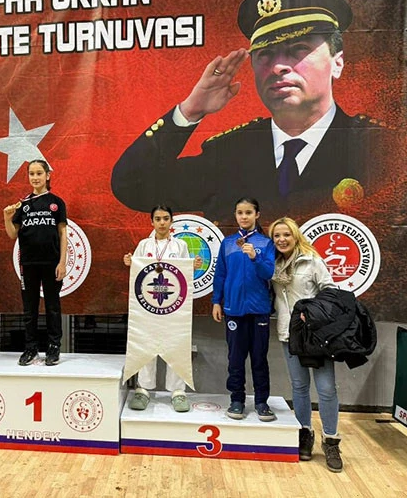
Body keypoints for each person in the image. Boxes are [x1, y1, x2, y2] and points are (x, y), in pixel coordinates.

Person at [111, 0, 395, 224]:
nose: (278, 66)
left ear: (337, 63)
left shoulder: (377, 148)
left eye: (298, 49)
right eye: (265, 54)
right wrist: (189, 112)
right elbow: (133, 186)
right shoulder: (228, 154)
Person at [268, 216, 342, 472]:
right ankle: (304, 434)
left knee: (326, 389)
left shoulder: (312, 260)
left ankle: (331, 440)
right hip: (289, 335)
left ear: (295, 235)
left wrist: (312, 314)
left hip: (316, 336)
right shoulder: (273, 264)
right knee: (299, 387)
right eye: (277, 236)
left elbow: (330, 291)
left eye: (286, 234)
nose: (282, 240)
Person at [122, 205, 203, 412]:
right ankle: (143, 389)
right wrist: (130, 262)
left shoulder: (180, 245)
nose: (162, 222)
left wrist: (192, 266)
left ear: (171, 221)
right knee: (146, 342)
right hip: (147, 304)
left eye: (166, 218)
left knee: (175, 343)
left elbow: (183, 275)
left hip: (173, 305)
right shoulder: (144, 244)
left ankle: (178, 392)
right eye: (157, 219)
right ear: (152, 222)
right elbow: (137, 271)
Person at [212, 198, 275, 421]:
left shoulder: (266, 243)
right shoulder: (228, 243)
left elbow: (268, 273)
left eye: (248, 212)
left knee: (259, 358)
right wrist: (217, 301)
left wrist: (255, 257)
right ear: (236, 215)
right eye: (240, 212)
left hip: (259, 310)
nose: (244, 216)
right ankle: (237, 400)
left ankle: (261, 402)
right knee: (235, 358)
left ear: (257, 214)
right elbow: (220, 274)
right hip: (234, 309)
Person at [3, 159, 67, 367]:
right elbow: (12, 234)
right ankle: (30, 348)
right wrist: (7, 218)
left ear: (47, 175)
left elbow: (63, 233)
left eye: (39, 173)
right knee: (29, 308)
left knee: (52, 306)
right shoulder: (22, 205)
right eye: (31, 173)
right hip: (28, 264)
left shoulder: (57, 202)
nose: (35, 177)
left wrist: (62, 262)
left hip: (51, 262)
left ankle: (53, 347)